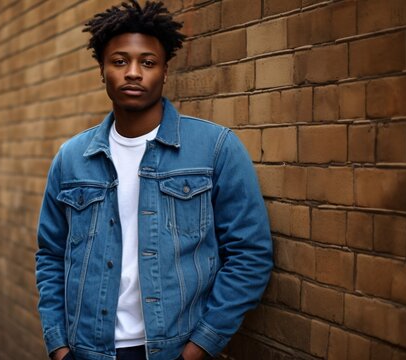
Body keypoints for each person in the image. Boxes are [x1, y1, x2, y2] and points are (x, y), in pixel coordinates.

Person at [35, 1, 273, 359]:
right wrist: (59, 347)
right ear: (102, 70)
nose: (133, 73)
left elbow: (250, 254)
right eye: (119, 61)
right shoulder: (71, 159)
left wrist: (199, 347)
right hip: (89, 350)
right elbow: (51, 255)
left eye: (147, 62)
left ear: (164, 71)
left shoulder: (215, 149)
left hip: (173, 349)